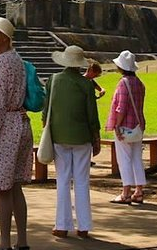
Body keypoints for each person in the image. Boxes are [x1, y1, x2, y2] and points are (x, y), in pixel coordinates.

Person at [0, 17, 33, 250]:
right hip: (19, 123)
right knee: (15, 186)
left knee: (2, 187)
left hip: (5, 127)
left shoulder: (2, 62)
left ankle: (4, 243)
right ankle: (21, 240)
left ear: (4, 37)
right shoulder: (17, 60)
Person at [43, 46, 100, 239]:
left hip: (59, 136)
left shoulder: (53, 80)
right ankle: (83, 226)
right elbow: (92, 115)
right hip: (82, 137)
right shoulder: (86, 85)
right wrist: (96, 137)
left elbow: (45, 111)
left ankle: (62, 225)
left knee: (63, 180)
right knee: (82, 180)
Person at [106, 50, 146, 205]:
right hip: (138, 125)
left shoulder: (123, 83)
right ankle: (139, 191)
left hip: (125, 126)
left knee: (124, 159)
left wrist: (116, 125)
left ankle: (126, 192)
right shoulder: (139, 83)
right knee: (137, 158)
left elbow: (121, 108)